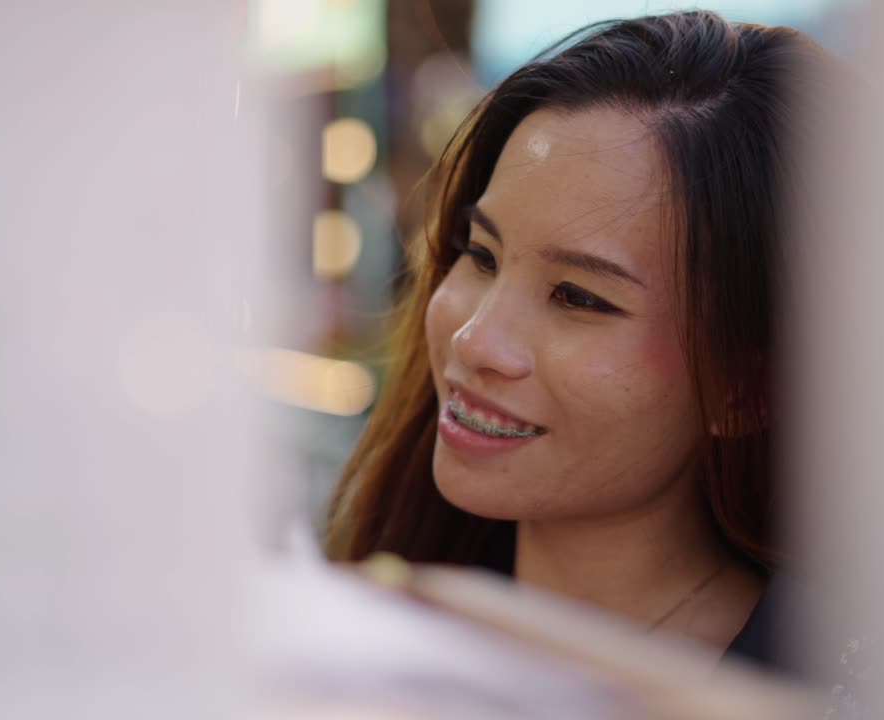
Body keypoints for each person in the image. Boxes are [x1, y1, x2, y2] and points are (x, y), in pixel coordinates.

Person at [325, 9, 854, 687]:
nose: (474, 338)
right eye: (481, 255)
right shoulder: (360, 620)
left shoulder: (840, 689)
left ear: (746, 387)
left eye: (578, 297)